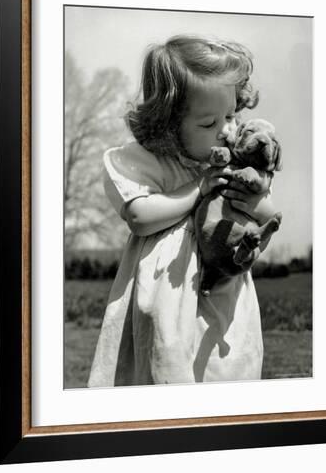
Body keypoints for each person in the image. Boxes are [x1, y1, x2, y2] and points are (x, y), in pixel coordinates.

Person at [87, 35, 278, 387]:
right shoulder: (150, 162)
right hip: (166, 298)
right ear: (168, 123)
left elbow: (268, 214)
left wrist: (250, 201)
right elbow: (139, 217)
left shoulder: (235, 163)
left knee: (223, 370)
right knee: (164, 366)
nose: (226, 131)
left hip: (223, 294)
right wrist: (199, 188)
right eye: (208, 124)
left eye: (231, 115)